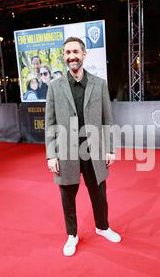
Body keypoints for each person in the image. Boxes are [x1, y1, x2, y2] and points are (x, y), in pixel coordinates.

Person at [45, 36, 121, 257]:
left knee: (99, 193)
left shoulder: (99, 84)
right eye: (68, 53)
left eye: (75, 52)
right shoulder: (54, 87)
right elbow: (49, 124)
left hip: (94, 149)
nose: (72, 57)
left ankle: (102, 227)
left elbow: (107, 119)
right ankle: (72, 235)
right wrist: (51, 155)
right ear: (64, 57)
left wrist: (109, 148)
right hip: (66, 151)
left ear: (84, 54)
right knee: (67, 195)